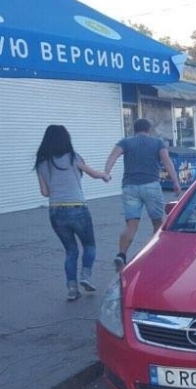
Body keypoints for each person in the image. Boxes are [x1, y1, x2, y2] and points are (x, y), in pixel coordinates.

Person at [34, 125, 111, 300]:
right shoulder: (74, 158)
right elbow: (94, 174)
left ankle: (72, 289)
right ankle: (85, 276)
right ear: (66, 139)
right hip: (77, 208)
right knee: (89, 246)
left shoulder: (41, 163)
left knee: (71, 251)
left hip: (56, 212)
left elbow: (45, 193)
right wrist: (106, 176)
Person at [104, 118, 181, 271]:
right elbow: (167, 163)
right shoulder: (157, 143)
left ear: (135, 130)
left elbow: (113, 156)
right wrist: (176, 182)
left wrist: (106, 172)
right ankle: (154, 254)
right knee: (158, 223)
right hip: (151, 186)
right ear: (149, 130)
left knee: (131, 225)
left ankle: (121, 255)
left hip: (130, 187)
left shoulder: (125, 142)